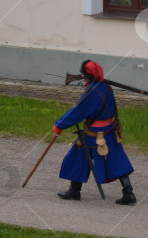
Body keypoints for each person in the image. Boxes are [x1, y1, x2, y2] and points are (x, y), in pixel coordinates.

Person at [52, 60, 136, 205]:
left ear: (88, 76)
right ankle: (128, 192)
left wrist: (58, 126)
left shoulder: (92, 92)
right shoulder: (106, 87)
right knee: (117, 160)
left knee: (77, 157)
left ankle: (74, 190)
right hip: (109, 132)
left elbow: (77, 112)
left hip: (93, 135)